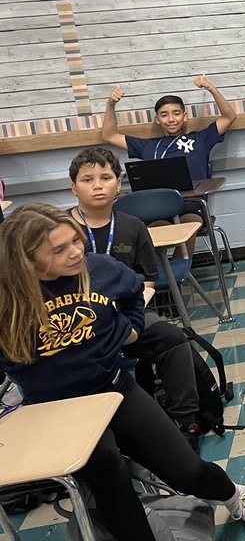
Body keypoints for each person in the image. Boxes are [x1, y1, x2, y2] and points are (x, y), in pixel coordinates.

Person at [0, 204, 245, 541]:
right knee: (111, 479)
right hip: (59, 414)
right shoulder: (7, 298)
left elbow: (134, 292)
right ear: (26, 259)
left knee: (186, 469)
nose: (75, 252)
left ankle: (236, 497)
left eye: (75, 240)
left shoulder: (98, 268)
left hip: (115, 391)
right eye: (59, 249)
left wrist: (130, 330)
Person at [67, 147, 204, 449]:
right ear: (73, 187)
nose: (98, 185)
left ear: (118, 183)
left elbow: (149, 279)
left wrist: (132, 314)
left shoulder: (132, 226)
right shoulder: (61, 230)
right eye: (87, 179)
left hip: (127, 315)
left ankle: (185, 422)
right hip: (76, 321)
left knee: (173, 339)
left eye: (106, 177)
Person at [101, 75, 236, 258]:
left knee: (188, 226)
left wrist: (211, 88)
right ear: (157, 119)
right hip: (158, 208)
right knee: (153, 232)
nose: (171, 119)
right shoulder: (148, 146)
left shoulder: (200, 139)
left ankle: (179, 276)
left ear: (184, 116)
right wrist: (111, 104)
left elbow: (229, 116)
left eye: (176, 113)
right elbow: (109, 135)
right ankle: (158, 276)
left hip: (191, 205)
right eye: (164, 115)